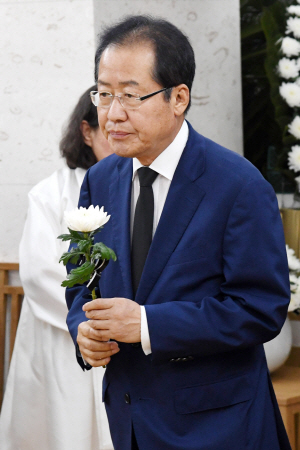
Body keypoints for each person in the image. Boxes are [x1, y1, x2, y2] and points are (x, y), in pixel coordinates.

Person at [65, 16, 291, 450]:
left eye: (130, 95)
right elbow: (82, 282)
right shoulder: (99, 180)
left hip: (217, 425)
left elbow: (261, 308)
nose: (113, 113)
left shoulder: (238, 185)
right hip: (129, 417)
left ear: (178, 98)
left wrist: (148, 324)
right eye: (104, 94)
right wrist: (83, 330)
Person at [0, 86, 113, 450]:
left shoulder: (135, 185)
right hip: (64, 336)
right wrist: (95, 318)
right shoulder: (51, 193)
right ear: (86, 132)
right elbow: (40, 274)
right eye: (108, 129)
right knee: (66, 430)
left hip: (121, 335)